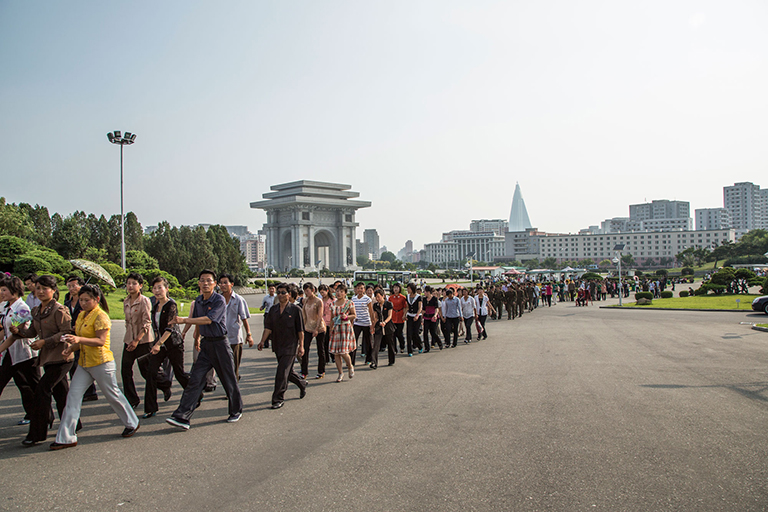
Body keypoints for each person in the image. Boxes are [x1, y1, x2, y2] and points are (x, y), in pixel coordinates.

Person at [51, 284, 140, 449]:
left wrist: (78, 341)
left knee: (113, 395)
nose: (83, 303)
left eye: (87, 300)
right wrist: (71, 347)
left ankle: (132, 422)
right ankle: (66, 437)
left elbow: (100, 341)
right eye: (81, 300)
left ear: (96, 299)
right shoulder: (82, 315)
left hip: (102, 363)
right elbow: (79, 338)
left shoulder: (101, 316)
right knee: (72, 397)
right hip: (84, 364)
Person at [166, 270, 243, 430]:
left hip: (221, 344)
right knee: (195, 379)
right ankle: (182, 416)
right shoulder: (199, 301)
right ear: (199, 283)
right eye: (202, 280)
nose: (205, 283)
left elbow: (208, 320)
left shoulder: (219, 300)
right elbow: (196, 322)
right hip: (207, 344)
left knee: (228, 378)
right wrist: (194, 337)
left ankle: (236, 410)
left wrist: (184, 320)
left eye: (209, 280)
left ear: (214, 284)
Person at [10, 275, 74, 446]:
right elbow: (32, 331)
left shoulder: (59, 310)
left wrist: (44, 342)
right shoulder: (36, 311)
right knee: (62, 394)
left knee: (42, 390)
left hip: (62, 357)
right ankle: (74, 425)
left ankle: (37, 433)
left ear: (53, 291)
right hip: (47, 358)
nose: (40, 292)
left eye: (44, 288)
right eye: (37, 288)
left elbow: (66, 332)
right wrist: (18, 332)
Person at [143, 276, 188, 419]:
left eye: (160, 287)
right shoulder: (155, 306)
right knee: (151, 372)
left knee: (179, 373)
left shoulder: (171, 305)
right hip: (161, 344)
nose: (157, 291)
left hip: (173, 344)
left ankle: (196, 393)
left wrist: (157, 344)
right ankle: (150, 408)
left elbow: (169, 328)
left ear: (166, 289)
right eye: (154, 288)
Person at [257, 282, 307, 409]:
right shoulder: (273, 310)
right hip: (278, 344)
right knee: (287, 371)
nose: (280, 295)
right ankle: (301, 383)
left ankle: (278, 398)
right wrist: (262, 341)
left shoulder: (296, 310)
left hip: (291, 345)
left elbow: (300, 330)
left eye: (283, 293)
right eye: (278, 293)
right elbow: (268, 328)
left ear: (289, 295)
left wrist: (301, 346)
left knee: (281, 372)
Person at [0, 275, 40, 425]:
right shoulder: (6, 307)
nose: (1, 292)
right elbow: (4, 331)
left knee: (34, 386)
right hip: (10, 353)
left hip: (25, 354)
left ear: (14, 290)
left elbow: (14, 336)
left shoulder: (23, 308)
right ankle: (35, 415)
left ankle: (44, 416)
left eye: (4, 289)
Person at [122, 272, 155, 410]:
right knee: (125, 369)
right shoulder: (125, 301)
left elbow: (147, 323)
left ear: (140, 286)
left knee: (146, 371)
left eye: (134, 283)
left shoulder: (145, 301)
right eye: (128, 283)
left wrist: (137, 340)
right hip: (129, 339)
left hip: (143, 341)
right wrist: (131, 339)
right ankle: (132, 399)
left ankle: (164, 384)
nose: (130, 286)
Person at [64, 275, 98, 402]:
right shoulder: (67, 302)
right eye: (69, 286)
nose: (72, 288)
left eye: (74, 285)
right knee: (75, 365)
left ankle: (89, 391)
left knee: (81, 364)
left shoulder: (89, 307)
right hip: (72, 336)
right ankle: (84, 392)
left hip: (83, 338)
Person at [218, 273, 252, 381]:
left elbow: (244, 318)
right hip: (221, 338)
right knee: (224, 366)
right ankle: (231, 386)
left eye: (225, 283)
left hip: (235, 338)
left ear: (231, 284)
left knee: (234, 366)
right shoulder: (218, 300)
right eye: (221, 283)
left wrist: (249, 335)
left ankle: (233, 390)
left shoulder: (238, 300)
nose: (222, 285)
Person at [327, 283, 356, 382]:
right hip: (336, 328)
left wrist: (347, 317)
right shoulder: (333, 304)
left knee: (343, 352)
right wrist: (331, 329)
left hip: (345, 328)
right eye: (337, 291)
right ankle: (340, 373)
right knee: (336, 353)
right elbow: (331, 318)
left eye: (341, 291)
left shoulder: (349, 303)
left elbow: (354, 315)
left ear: (345, 293)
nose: (338, 293)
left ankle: (349, 366)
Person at [300, 283, 326, 379]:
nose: (306, 293)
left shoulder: (318, 301)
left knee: (320, 349)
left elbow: (320, 316)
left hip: (319, 327)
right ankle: (304, 371)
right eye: (305, 291)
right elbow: (304, 315)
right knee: (305, 349)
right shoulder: (305, 300)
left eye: (308, 290)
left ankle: (321, 370)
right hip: (307, 327)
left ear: (313, 290)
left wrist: (316, 329)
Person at [351, 282, 374, 366]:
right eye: (358, 288)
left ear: (364, 289)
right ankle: (351, 361)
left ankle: (369, 359)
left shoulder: (367, 299)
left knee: (368, 342)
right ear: (356, 289)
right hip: (357, 323)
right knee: (353, 342)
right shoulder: (353, 299)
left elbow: (371, 312)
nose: (360, 290)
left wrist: (372, 323)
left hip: (366, 323)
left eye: (361, 288)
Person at [372, 289, 394, 368]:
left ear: (383, 296)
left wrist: (385, 322)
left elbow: (390, 316)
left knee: (390, 344)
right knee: (376, 345)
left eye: (379, 297)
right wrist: (374, 324)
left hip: (388, 326)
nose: (377, 299)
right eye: (376, 297)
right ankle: (374, 362)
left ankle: (391, 360)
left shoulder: (389, 304)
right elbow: (375, 316)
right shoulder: (375, 305)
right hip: (379, 326)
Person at [421, 286, 442, 351]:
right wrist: (421, 317)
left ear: (429, 292)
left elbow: (436, 308)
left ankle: (439, 343)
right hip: (426, 317)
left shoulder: (434, 299)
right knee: (425, 333)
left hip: (433, 317)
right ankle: (427, 347)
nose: (424, 293)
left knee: (433, 332)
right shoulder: (424, 299)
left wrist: (435, 315)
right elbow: (423, 309)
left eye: (425, 292)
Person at [388, 283, 406, 353]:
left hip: (400, 316)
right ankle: (394, 349)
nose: (395, 289)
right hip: (393, 316)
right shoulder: (391, 298)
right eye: (394, 287)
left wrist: (404, 315)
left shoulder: (403, 297)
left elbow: (405, 307)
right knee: (393, 334)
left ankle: (402, 346)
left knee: (399, 333)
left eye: (397, 288)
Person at [405, 283, 422, 355]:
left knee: (415, 333)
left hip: (417, 316)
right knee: (409, 333)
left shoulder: (418, 297)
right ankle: (409, 351)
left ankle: (420, 346)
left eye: (409, 288)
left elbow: (420, 308)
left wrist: (417, 315)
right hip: (410, 316)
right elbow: (407, 307)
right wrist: (404, 315)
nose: (408, 290)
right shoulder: (408, 296)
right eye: (407, 288)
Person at [318, 284, 333, 366]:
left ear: (327, 291)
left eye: (323, 292)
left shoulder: (333, 300)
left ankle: (333, 356)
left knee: (330, 341)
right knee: (324, 342)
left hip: (330, 322)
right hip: (322, 323)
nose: (322, 294)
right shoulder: (320, 300)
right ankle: (326, 358)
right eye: (320, 292)